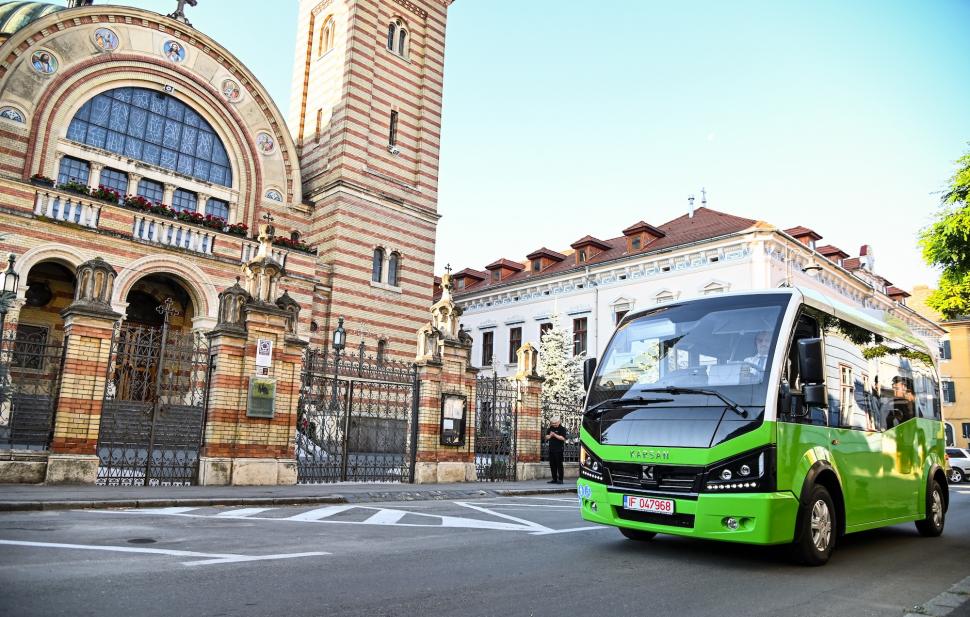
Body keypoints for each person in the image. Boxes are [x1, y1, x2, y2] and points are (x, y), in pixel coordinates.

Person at [545, 416, 568, 484]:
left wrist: (554, 435)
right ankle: (554, 479)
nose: (554, 424)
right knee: (552, 465)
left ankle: (560, 479)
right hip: (551, 449)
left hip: (559, 450)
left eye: (555, 423)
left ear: (559, 422)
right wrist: (550, 436)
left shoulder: (562, 429)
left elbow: (563, 438)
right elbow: (547, 437)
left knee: (559, 465)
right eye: (552, 423)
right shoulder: (550, 428)